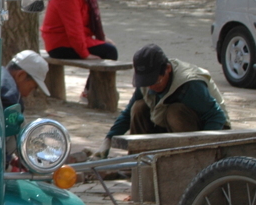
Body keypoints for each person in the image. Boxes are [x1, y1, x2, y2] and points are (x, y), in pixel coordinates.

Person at [98, 44, 230, 157]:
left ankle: (185, 162)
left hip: (206, 130)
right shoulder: (147, 83)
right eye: (146, 82)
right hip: (168, 128)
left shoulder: (190, 85)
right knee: (139, 107)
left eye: (155, 82)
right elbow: (127, 115)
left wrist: (204, 150)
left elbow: (217, 116)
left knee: (174, 112)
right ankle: (138, 164)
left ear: (168, 69)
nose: (150, 87)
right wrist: (107, 142)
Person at [41, 0, 117, 99]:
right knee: (109, 52)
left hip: (63, 41)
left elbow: (82, 24)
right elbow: (73, 27)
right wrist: (85, 54)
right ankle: (91, 94)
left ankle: (89, 92)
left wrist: (101, 38)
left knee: (107, 48)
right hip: (60, 44)